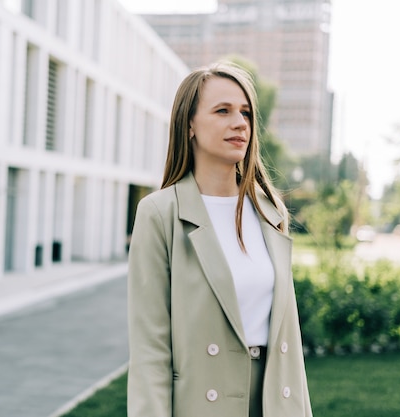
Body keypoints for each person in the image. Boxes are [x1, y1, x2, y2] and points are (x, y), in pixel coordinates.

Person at [127, 62, 313, 417]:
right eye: (222, 111)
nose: (240, 122)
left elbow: (290, 340)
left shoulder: (271, 212)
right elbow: (149, 350)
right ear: (190, 125)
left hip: (275, 403)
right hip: (202, 402)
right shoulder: (160, 213)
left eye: (245, 112)